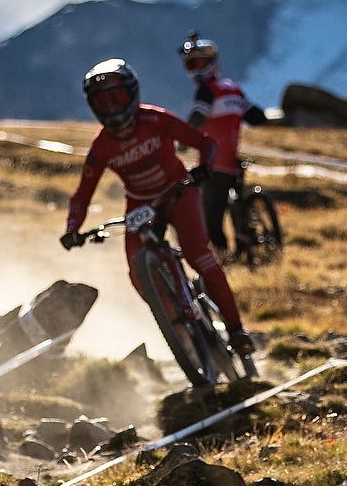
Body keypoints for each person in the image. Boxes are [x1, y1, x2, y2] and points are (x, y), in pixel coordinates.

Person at [60, 58, 253, 362]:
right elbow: (82, 195)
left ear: (132, 93)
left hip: (180, 192)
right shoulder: (101, 147)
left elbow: (204, 142)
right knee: (138, 274)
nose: (111, 108)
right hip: (139, 203)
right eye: (102, 102)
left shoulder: (156, 120)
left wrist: (203, 169)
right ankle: (181, 335)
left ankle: (237, 330)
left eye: (117, 98)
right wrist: (72, 229)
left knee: (199, 255)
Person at [178, 31, 269, 257]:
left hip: (213, 164)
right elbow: (257, 117)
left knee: (210, 217)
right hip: (233, 162)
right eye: (192, 64)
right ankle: (245, 243)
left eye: (200, 63)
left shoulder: (206, 91)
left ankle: (223, 257)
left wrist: (182, 141)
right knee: (236, 205)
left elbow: (197, 119)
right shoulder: (233, 88)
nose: (196, 69)